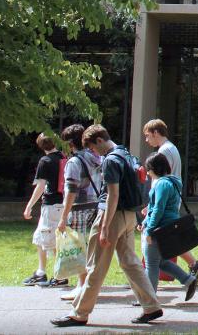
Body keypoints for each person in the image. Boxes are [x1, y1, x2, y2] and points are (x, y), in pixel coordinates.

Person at [51, 124, 162, 327]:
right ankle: (151, 306)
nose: (94, 153)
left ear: (100, 140)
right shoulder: (125, 153)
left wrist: (104, 227)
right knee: (130, 262)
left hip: (111, 216)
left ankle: (79, 313)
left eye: (93, 148)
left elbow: (113, 194)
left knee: (95, 266)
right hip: (130, 214)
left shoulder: (111, 159)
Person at [142, 119, 198, 279]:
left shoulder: (164, 151)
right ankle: (190, 266)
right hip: (170, 199)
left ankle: (192, 264)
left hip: (166, 200)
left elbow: (160, 178)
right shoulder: (171, 148)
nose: (146, 139)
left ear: (156, 133)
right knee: (167, 237)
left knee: (164, 237)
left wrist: (151, 204)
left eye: (148, 135)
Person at [141, 152, 198, 300]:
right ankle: (188, 280)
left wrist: (149, 230)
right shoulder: (173, 182)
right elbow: (157, 208)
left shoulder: (161, 184)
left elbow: (158, 209)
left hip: (159, 230)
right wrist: (144, 223)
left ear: (154, 168)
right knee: (161, 262)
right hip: (169, 228)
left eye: (148, 169)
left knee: (151, 264)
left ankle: (149, 299)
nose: (147, 173)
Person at [55, 124, 103, 300]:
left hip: (78, 208)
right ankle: (86, 284)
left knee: (78, 247)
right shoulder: (97, 158)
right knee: (90, 248)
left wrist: (62, 217)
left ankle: (82, 285)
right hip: (96, 205)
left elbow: (71, 190)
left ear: (70, 144)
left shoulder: (74, 162)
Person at [22, 133, 66, 287]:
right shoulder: (63, 157)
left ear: (40, 146)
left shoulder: (45, 161)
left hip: (51, 205)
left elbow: (41, 186)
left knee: (46, 240)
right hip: (63, 204)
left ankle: (54, 274)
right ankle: (48, 272)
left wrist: (29, 206)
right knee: (47, 239)